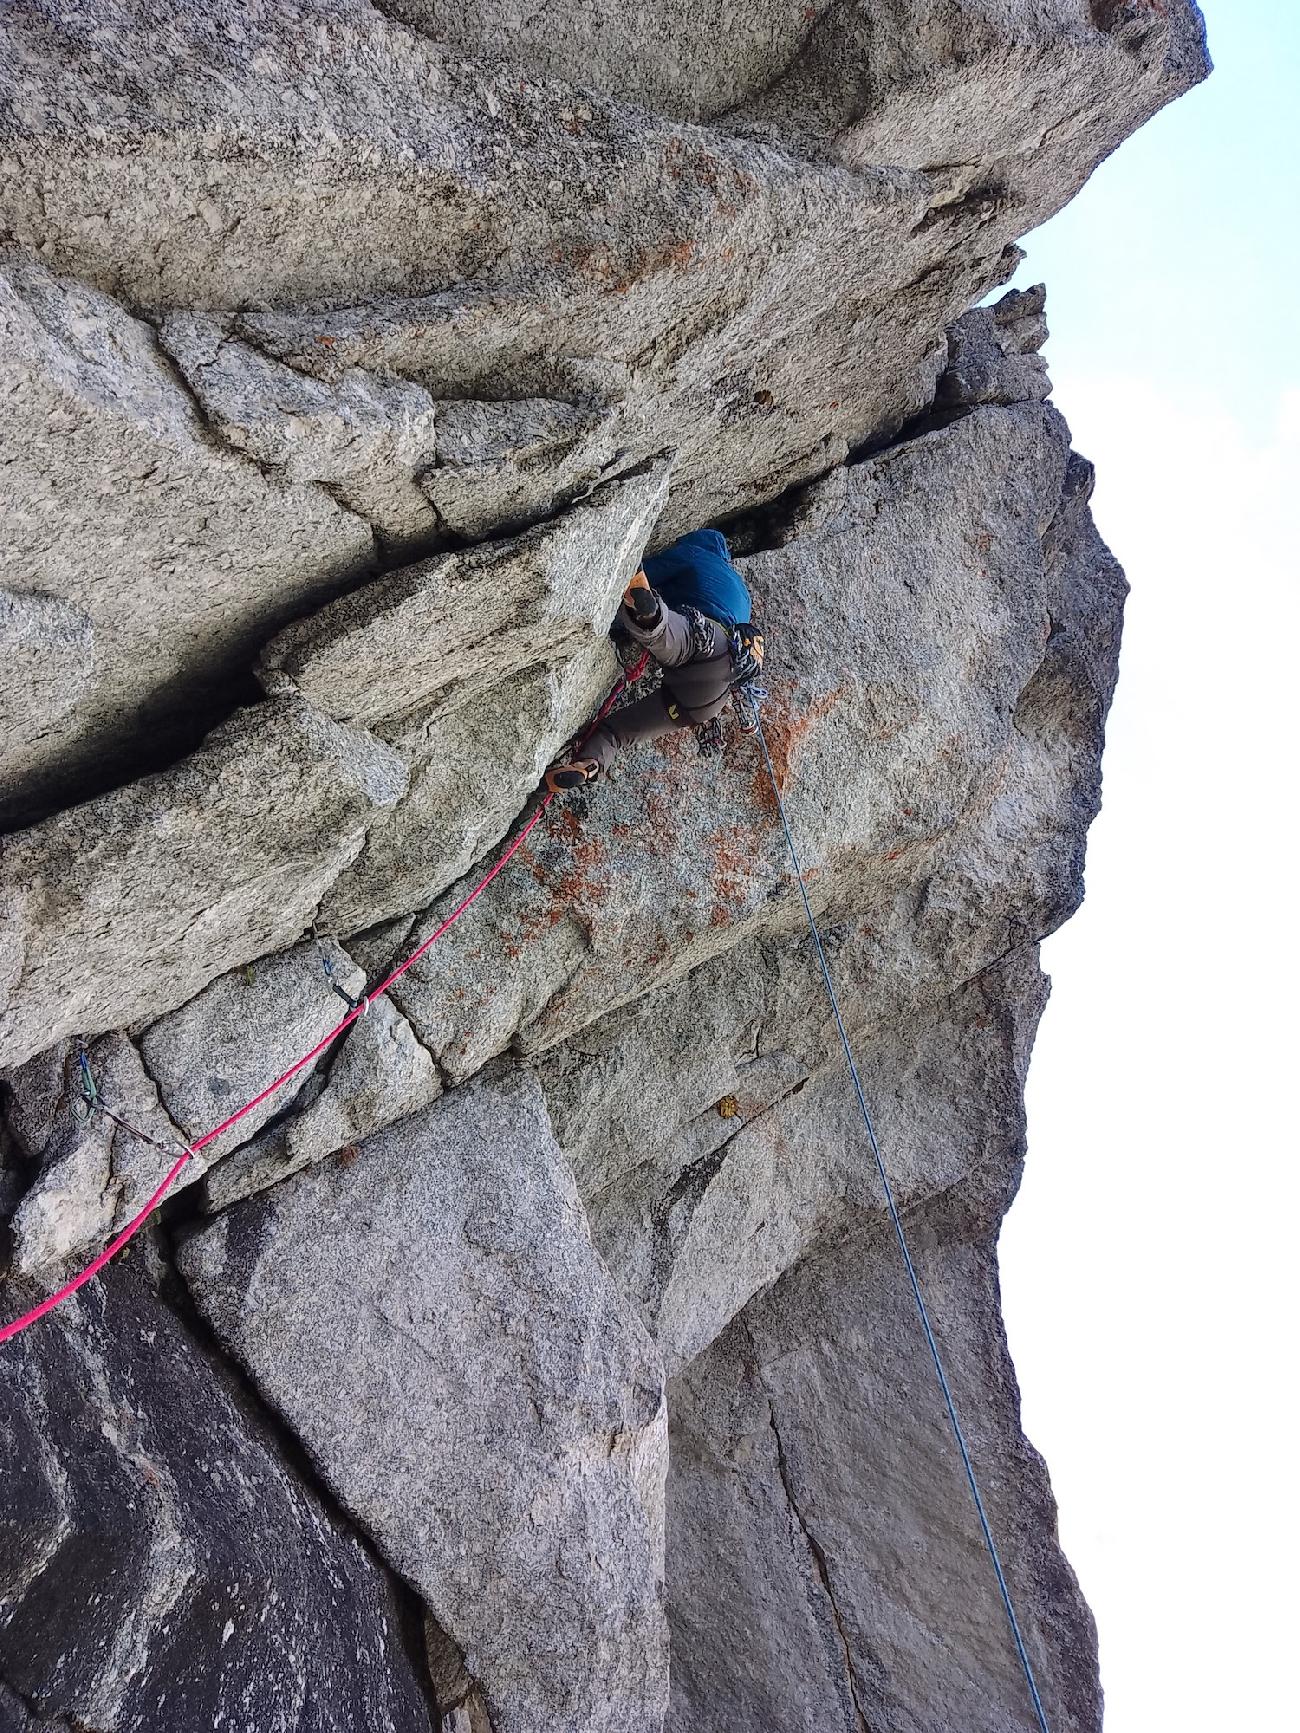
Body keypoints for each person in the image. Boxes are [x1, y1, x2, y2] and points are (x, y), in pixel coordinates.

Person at [546, 529, 763, 791]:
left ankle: (648, 615)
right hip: (710, 699)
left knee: (664, 631)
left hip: (704, 639)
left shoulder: (695, 554)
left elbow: (642, 573)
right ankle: (589, 765)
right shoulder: (743, 594)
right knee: (618, 734)